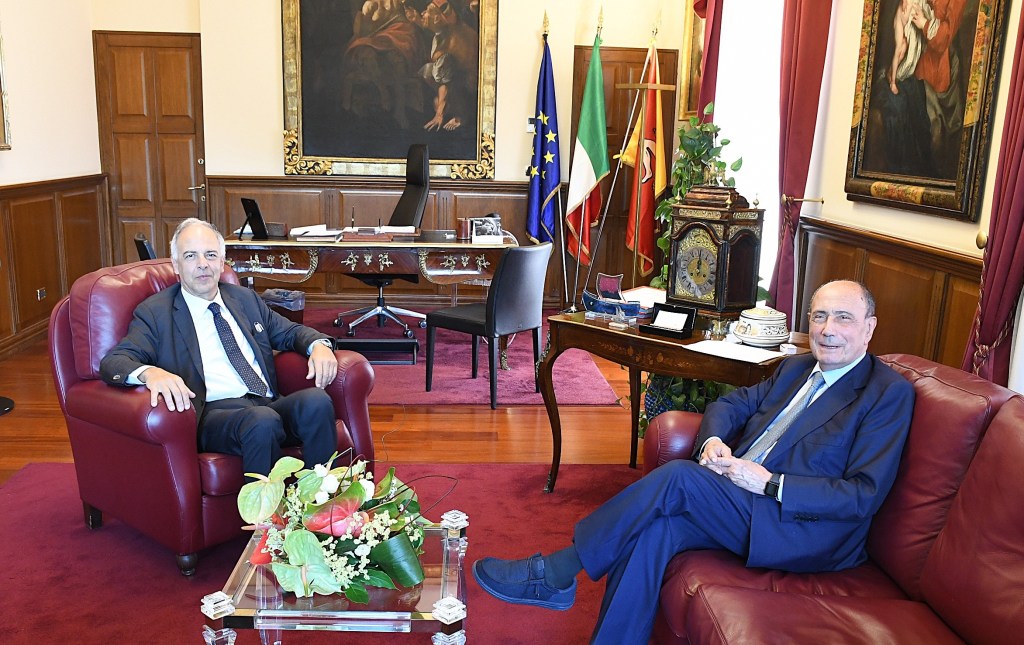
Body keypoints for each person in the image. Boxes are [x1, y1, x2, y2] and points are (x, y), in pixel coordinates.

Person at [473, 280, 915, 643]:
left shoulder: (886, 393)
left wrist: (769, 482)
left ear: (869, 328)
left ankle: (555, 572)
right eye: (819, 316)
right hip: (740, 498)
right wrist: (714, 441)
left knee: (680, 479)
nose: (828, 329)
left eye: (843, 318)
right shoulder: (796, 368)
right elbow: (732, 404)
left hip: (802, 527)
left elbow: (863, 495)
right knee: (656, 531)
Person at [100, 218, 340, 477]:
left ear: (222, 261)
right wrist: (150, 373)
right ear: (176, 265)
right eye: (190, 256)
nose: (203, 263)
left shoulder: (244, 298)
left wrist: (318, 345)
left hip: (266, 403)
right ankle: (263, 505)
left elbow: (290, 332)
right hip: (214, 415)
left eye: (211, 254)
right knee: (262, 420)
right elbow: (115, 361)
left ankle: (321, 498)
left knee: (316, 402)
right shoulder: (156, 312)